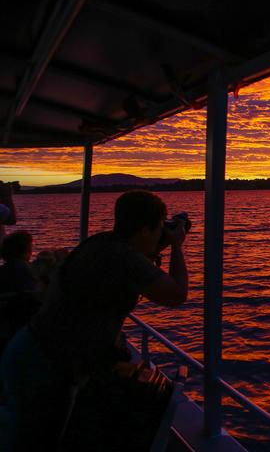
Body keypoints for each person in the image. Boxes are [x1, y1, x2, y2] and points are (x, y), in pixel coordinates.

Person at [0, 190, 188, 451]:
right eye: (158, 228)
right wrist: (177, 246)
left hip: (36, 352)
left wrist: (158, 243)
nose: (161, 235)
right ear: (145, 230)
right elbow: (176, 295)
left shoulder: (102, 243)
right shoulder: (123, 257)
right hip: (45, 365)